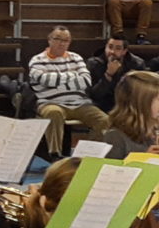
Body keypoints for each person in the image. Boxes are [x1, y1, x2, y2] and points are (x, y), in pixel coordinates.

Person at [29, 27, 112, 157]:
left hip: (80, 103)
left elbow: (85, 81)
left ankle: (87, 154)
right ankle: (55, 153)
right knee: (53, 113)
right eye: (57, 39)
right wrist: (72, 76)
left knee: (104, 120)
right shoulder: (37, 60)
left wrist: (56, 79)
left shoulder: (76, 58)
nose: (61, 43)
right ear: (49, 40)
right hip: (50, 102)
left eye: (66, 40)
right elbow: (44, 80)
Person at [100, 71, 159, 160]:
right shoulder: (115, 137)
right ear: (143, 103)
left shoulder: (153, 131)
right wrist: (143, 159)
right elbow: (109, 171)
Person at [87, 33, 145, 113]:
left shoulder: (136, 64)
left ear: (124, 51)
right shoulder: (94, 63)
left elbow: (140, 91)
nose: (112, 51)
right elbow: (95, 95)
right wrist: (108, 75)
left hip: (127, 105)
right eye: (110, 47)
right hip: (102, 106)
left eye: (118, 48)